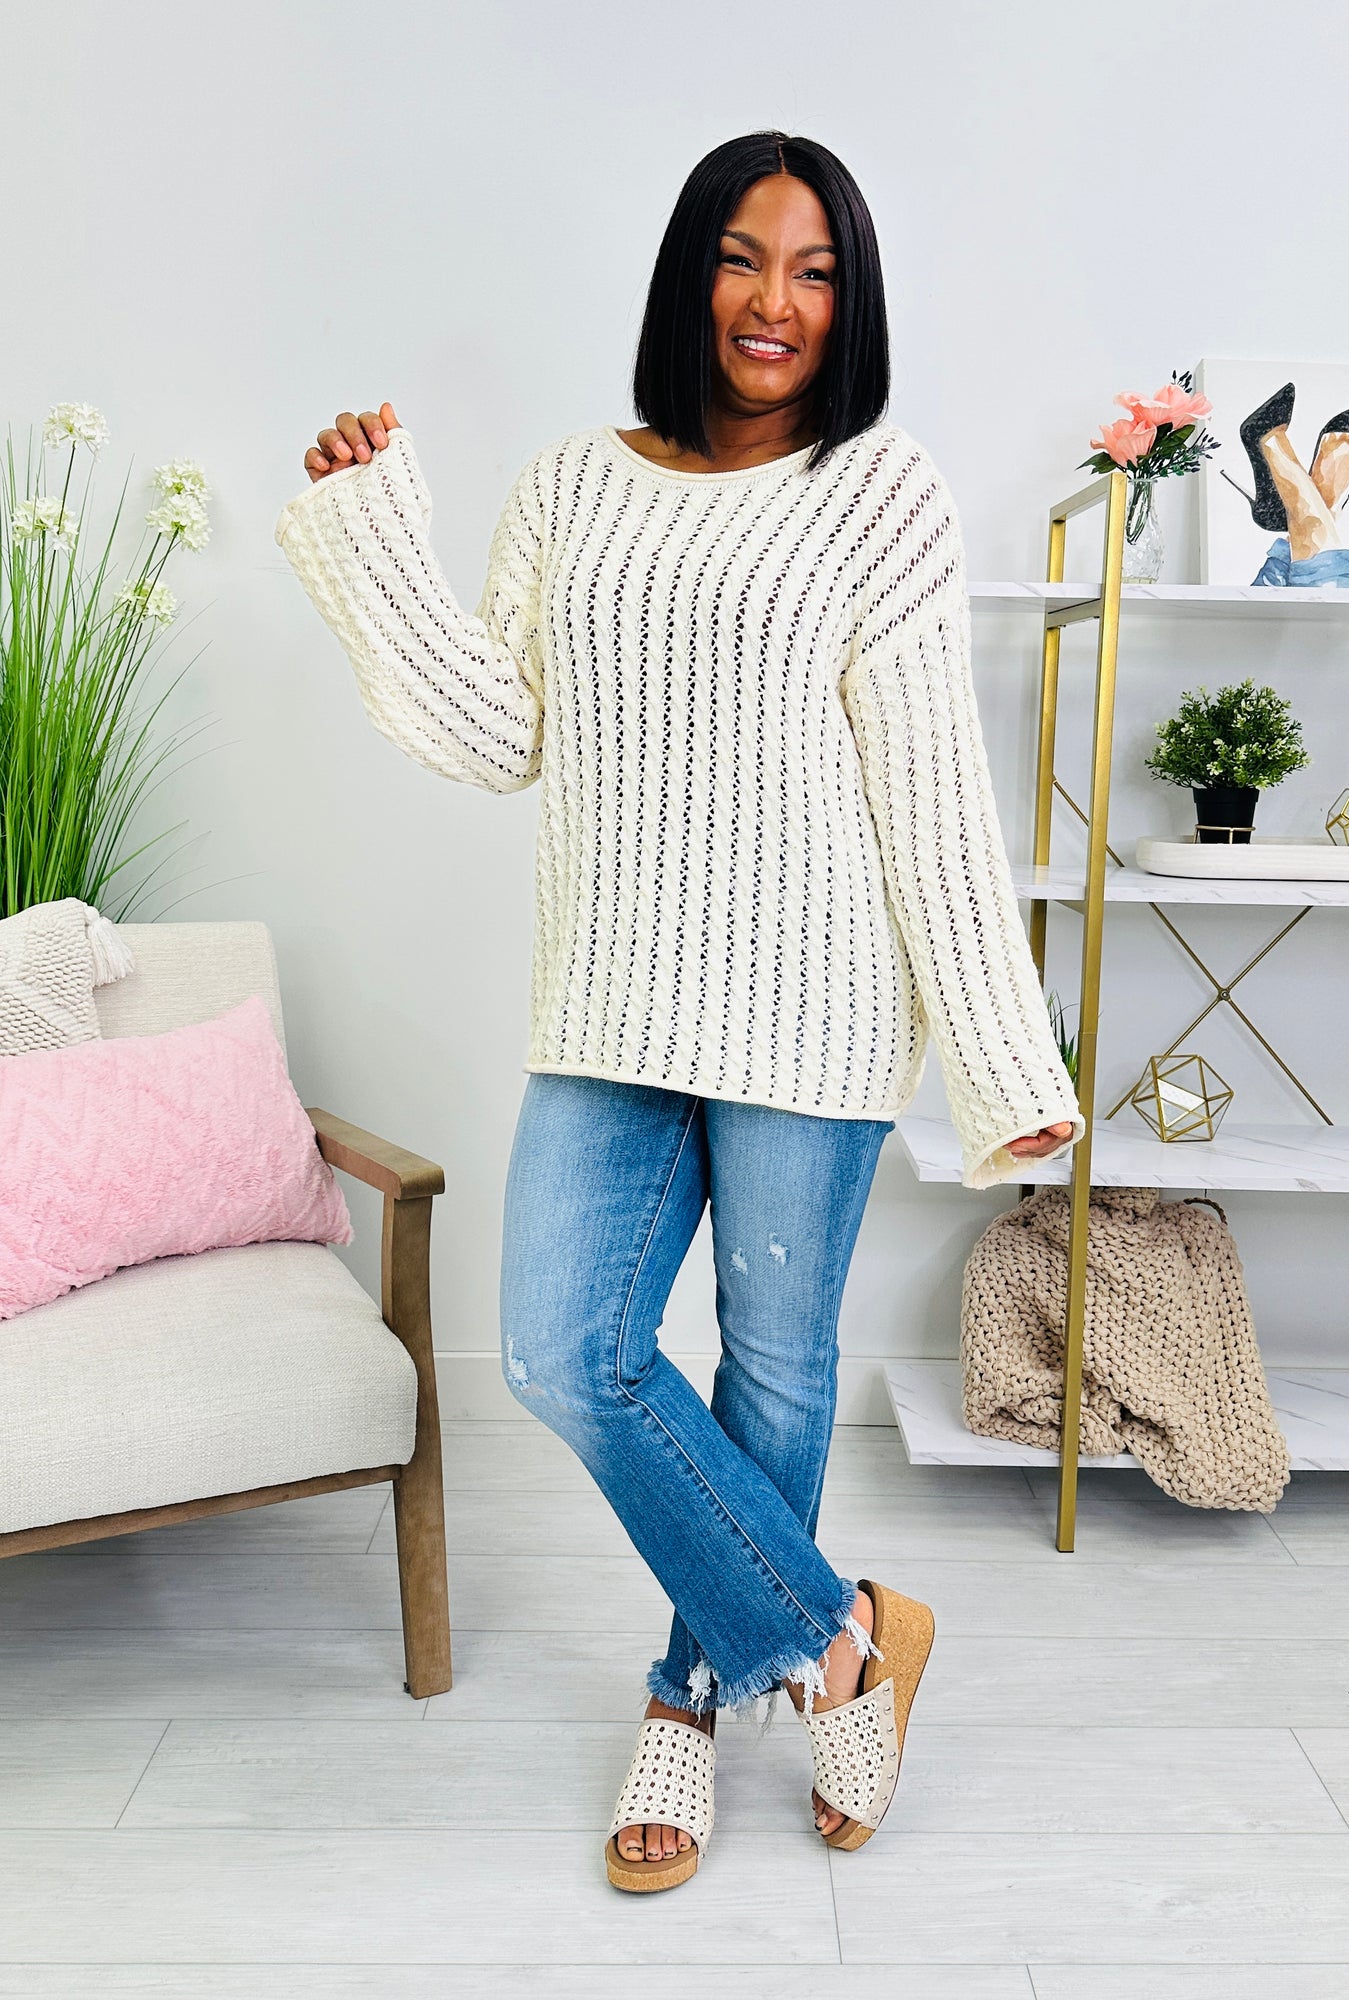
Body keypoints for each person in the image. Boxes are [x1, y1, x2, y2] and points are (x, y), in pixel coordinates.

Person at [274, 128, 1081, 1894]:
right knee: (567, 1353)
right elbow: (501, 733)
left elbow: (933, 787)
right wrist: (373, 538)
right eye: (742, 257)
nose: (774, 300)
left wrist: (1005, 1052)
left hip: (818, 1006)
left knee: (772, 1371)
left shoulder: (881, 495)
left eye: (815, 272)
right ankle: (844, 1637)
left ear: (850, 305)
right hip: (612, 1002)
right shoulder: (574, 487)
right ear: (688, 275)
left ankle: (689, 1699)